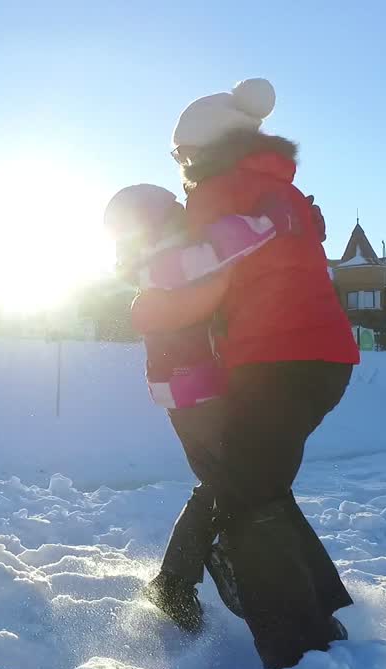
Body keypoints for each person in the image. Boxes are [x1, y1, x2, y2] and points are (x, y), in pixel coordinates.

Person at [133, 78, 360, 669]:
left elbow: (202, 276)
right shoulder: (284, 193)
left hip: (273, 364)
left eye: (184, 156)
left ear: (205, 149)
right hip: (326, 362)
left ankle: (299, 647)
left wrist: (150, 295)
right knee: (247, 484)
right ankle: (311, 607)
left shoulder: (220, 192)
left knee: (247, 500)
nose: (184, 168)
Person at [105, 183, 291, 631]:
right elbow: (217, 250)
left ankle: (183, 574)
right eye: (173, 211)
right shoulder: (165, 262)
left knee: (224, 479)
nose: (183, 216)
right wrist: (269, 219)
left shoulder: (155, 262)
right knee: (230, 479)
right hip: (195, 389)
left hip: (191, 389)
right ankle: (181, 576)